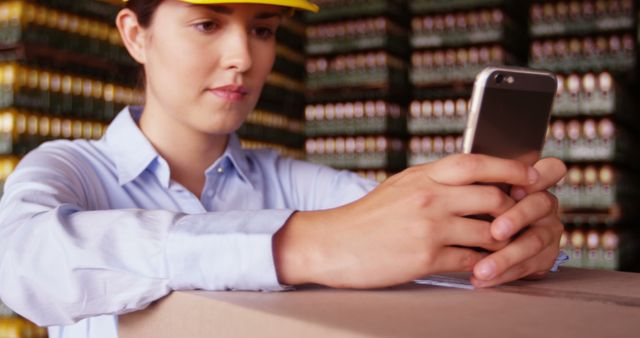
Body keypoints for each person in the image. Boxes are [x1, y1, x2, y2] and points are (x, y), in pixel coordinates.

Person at [0, 1, 566, 337]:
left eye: (263, 29)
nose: (243, 57)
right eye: (208, 24)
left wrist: (509, 234)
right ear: (135, 34)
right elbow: (21, 261)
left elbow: (417, 228)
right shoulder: (71, 170)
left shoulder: (296, 183)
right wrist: (301, 245)